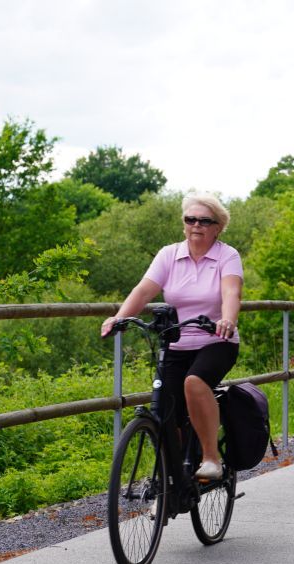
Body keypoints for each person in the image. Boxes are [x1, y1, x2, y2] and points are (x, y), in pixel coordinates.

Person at [101, 193, 242, 481]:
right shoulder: (169, 255)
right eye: (190, 219)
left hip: (216, 340)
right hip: (176, 341)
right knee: (166, 412)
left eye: (205, 220)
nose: (196, 225)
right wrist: (119, 317)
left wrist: (227, 319)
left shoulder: (227, 255)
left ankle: (211, 458)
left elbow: (231, 291)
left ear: (218, 227)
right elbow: (143, 290)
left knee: (194, 382)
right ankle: (171, 482)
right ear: (183, 224)